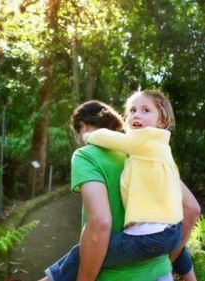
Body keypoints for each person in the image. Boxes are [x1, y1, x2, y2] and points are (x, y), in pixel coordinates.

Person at [40, 97, 200, 281]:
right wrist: (165, 258)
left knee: (82, 251)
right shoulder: (148, 154)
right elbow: (192, 209)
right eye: (132, 111)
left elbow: (100, 223)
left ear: (83, 127)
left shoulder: (87, 155)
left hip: (112, 276)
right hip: (162, 273)